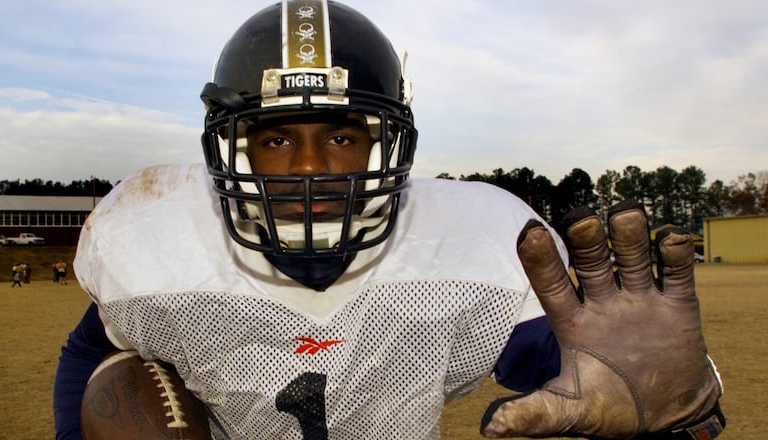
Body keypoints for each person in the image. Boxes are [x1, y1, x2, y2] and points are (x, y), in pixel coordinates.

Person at [54, 1, 724, 439]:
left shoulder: (473, 249)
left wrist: (674, 405)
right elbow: (95, 348)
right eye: (277, 138)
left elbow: (603, 370)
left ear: (385, 144)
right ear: (231, 148)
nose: (312, 167)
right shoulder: (157, 247)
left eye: (343, 136)